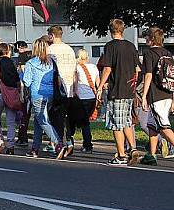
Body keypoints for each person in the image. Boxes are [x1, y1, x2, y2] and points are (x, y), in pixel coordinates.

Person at [97, 19, 141, 165]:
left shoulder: (110, 46)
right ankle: (133, 149)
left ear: (111, 31)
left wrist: (100, 85)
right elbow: (137, 69)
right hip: (129, 90)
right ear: (122, 30)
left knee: (116, 123)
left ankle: (121, 154)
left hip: (117, 89)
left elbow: (107, 68)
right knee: (126, 120)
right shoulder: (131, 46)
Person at [22, 38, 62, 158]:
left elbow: (27, 82)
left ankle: (58, 143)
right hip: (50, 94)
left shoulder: (30, 63)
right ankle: (35, 148)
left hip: (37, 95)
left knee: (43, 121)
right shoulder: (52, 62)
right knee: (38, 122)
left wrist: (22, 74)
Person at [140, 27, 174, 163]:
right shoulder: (168, 53)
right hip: (166, 93)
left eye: (147, 36)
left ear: (152, 38)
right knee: (152, 125)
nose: (145, 39)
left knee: (163, 127)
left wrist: (143, 95)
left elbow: (148, 75)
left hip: (156, 96)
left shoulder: (149, 54)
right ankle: (151, 155)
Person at [47, 25, 78, 157]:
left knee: (55, 118)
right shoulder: (70, 49)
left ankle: (61, 144)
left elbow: (48, 70)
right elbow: (75, 71)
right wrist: (75, 89)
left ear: (52, 36)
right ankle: (69, 142)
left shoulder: (50, 50)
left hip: (56, 88)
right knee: (65, 117)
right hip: (70, 87)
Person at [72, 48, 100, 154]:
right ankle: (87, 144)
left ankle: (83, 144)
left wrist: (73, 94)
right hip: (92, 97)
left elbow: (74, 82)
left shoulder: (77, 68)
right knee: (86, 122)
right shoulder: (93, 67)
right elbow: (97, 82)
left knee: (78, 122)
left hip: (81, 97)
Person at [13, 41, 32, 146]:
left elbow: (22, 80)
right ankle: (22, 136)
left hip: (24, 91)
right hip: (33, 90)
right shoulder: (32, 56)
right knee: (26, 115)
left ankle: (22, 137)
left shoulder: (22, 59)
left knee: (23, 114)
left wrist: (21, 94)